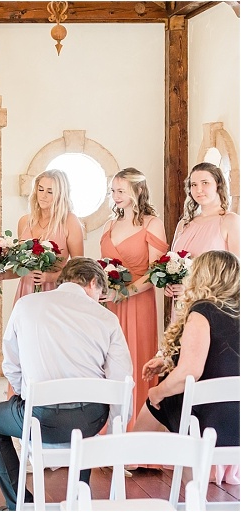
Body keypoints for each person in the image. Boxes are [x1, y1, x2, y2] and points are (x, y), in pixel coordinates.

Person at [0, 257, 133, 511]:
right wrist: (117, 431)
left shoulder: (26, 305)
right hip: (90, 420)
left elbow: (11, 365)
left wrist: (25, 397)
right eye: (100, 293)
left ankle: (20, 504)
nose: (98, 299)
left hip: (40, 419)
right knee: (85, 423)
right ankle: (77, 501)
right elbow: (121, 381)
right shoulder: (107, 318)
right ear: (93, 282)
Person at [134, 250, 240, 485]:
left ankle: (126, 456)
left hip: (212, 420)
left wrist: (156, 393)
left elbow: (190, 372)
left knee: (162, 396)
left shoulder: (204, 310)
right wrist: (169, 361)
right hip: (236, 416)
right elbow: (222, 357)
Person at [100, 168, 168, 427]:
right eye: (113, 191)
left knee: (136, 360)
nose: (116, 196)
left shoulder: (152, 224)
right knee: (110, 362)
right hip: (110, 304)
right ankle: (110, 429)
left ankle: (137, 432)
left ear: (138, 191)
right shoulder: (109, 224)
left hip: (139, 303)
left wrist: (124, 292)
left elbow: (155, 273)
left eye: (121, 191)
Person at [0, 169, 84, 303]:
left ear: (60, 194)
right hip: (26, 291)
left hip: (55, 292)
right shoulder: (24, 221)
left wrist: (50, 278)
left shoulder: (70, 221)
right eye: (40, 189)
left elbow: (79, 267)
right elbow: (22, 267)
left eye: (50, 192)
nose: (43, 196)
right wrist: (3, 275)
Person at [168, 163, 240, 306]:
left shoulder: (230, 221)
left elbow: (236, 273)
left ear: (218, 185)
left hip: (212, 304)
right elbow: (172, 262)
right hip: (181, 304)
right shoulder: (184, 223)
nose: (198, 189)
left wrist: (193, 290)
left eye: (205, 183)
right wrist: (170, 284)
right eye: (194, 185)